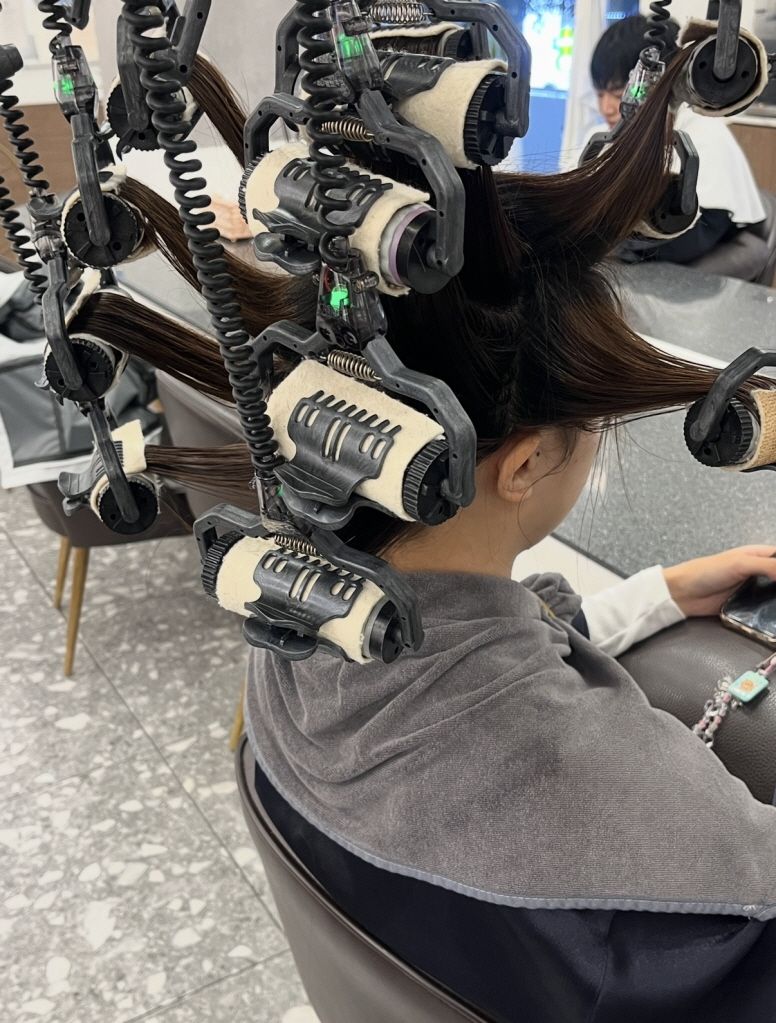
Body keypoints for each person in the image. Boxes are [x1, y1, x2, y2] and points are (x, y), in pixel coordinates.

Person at [73, 44, 776, 1021]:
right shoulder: (637, 822)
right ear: (524, 462)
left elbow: (473, 661)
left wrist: (656, 593)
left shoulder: (298, 637)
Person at [588, 14, 766, 269]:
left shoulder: (702, 132)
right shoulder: (601, 135)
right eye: (599, 94)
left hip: (707, 251)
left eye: (618, 95)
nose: (606, 108)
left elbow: (700, 232)